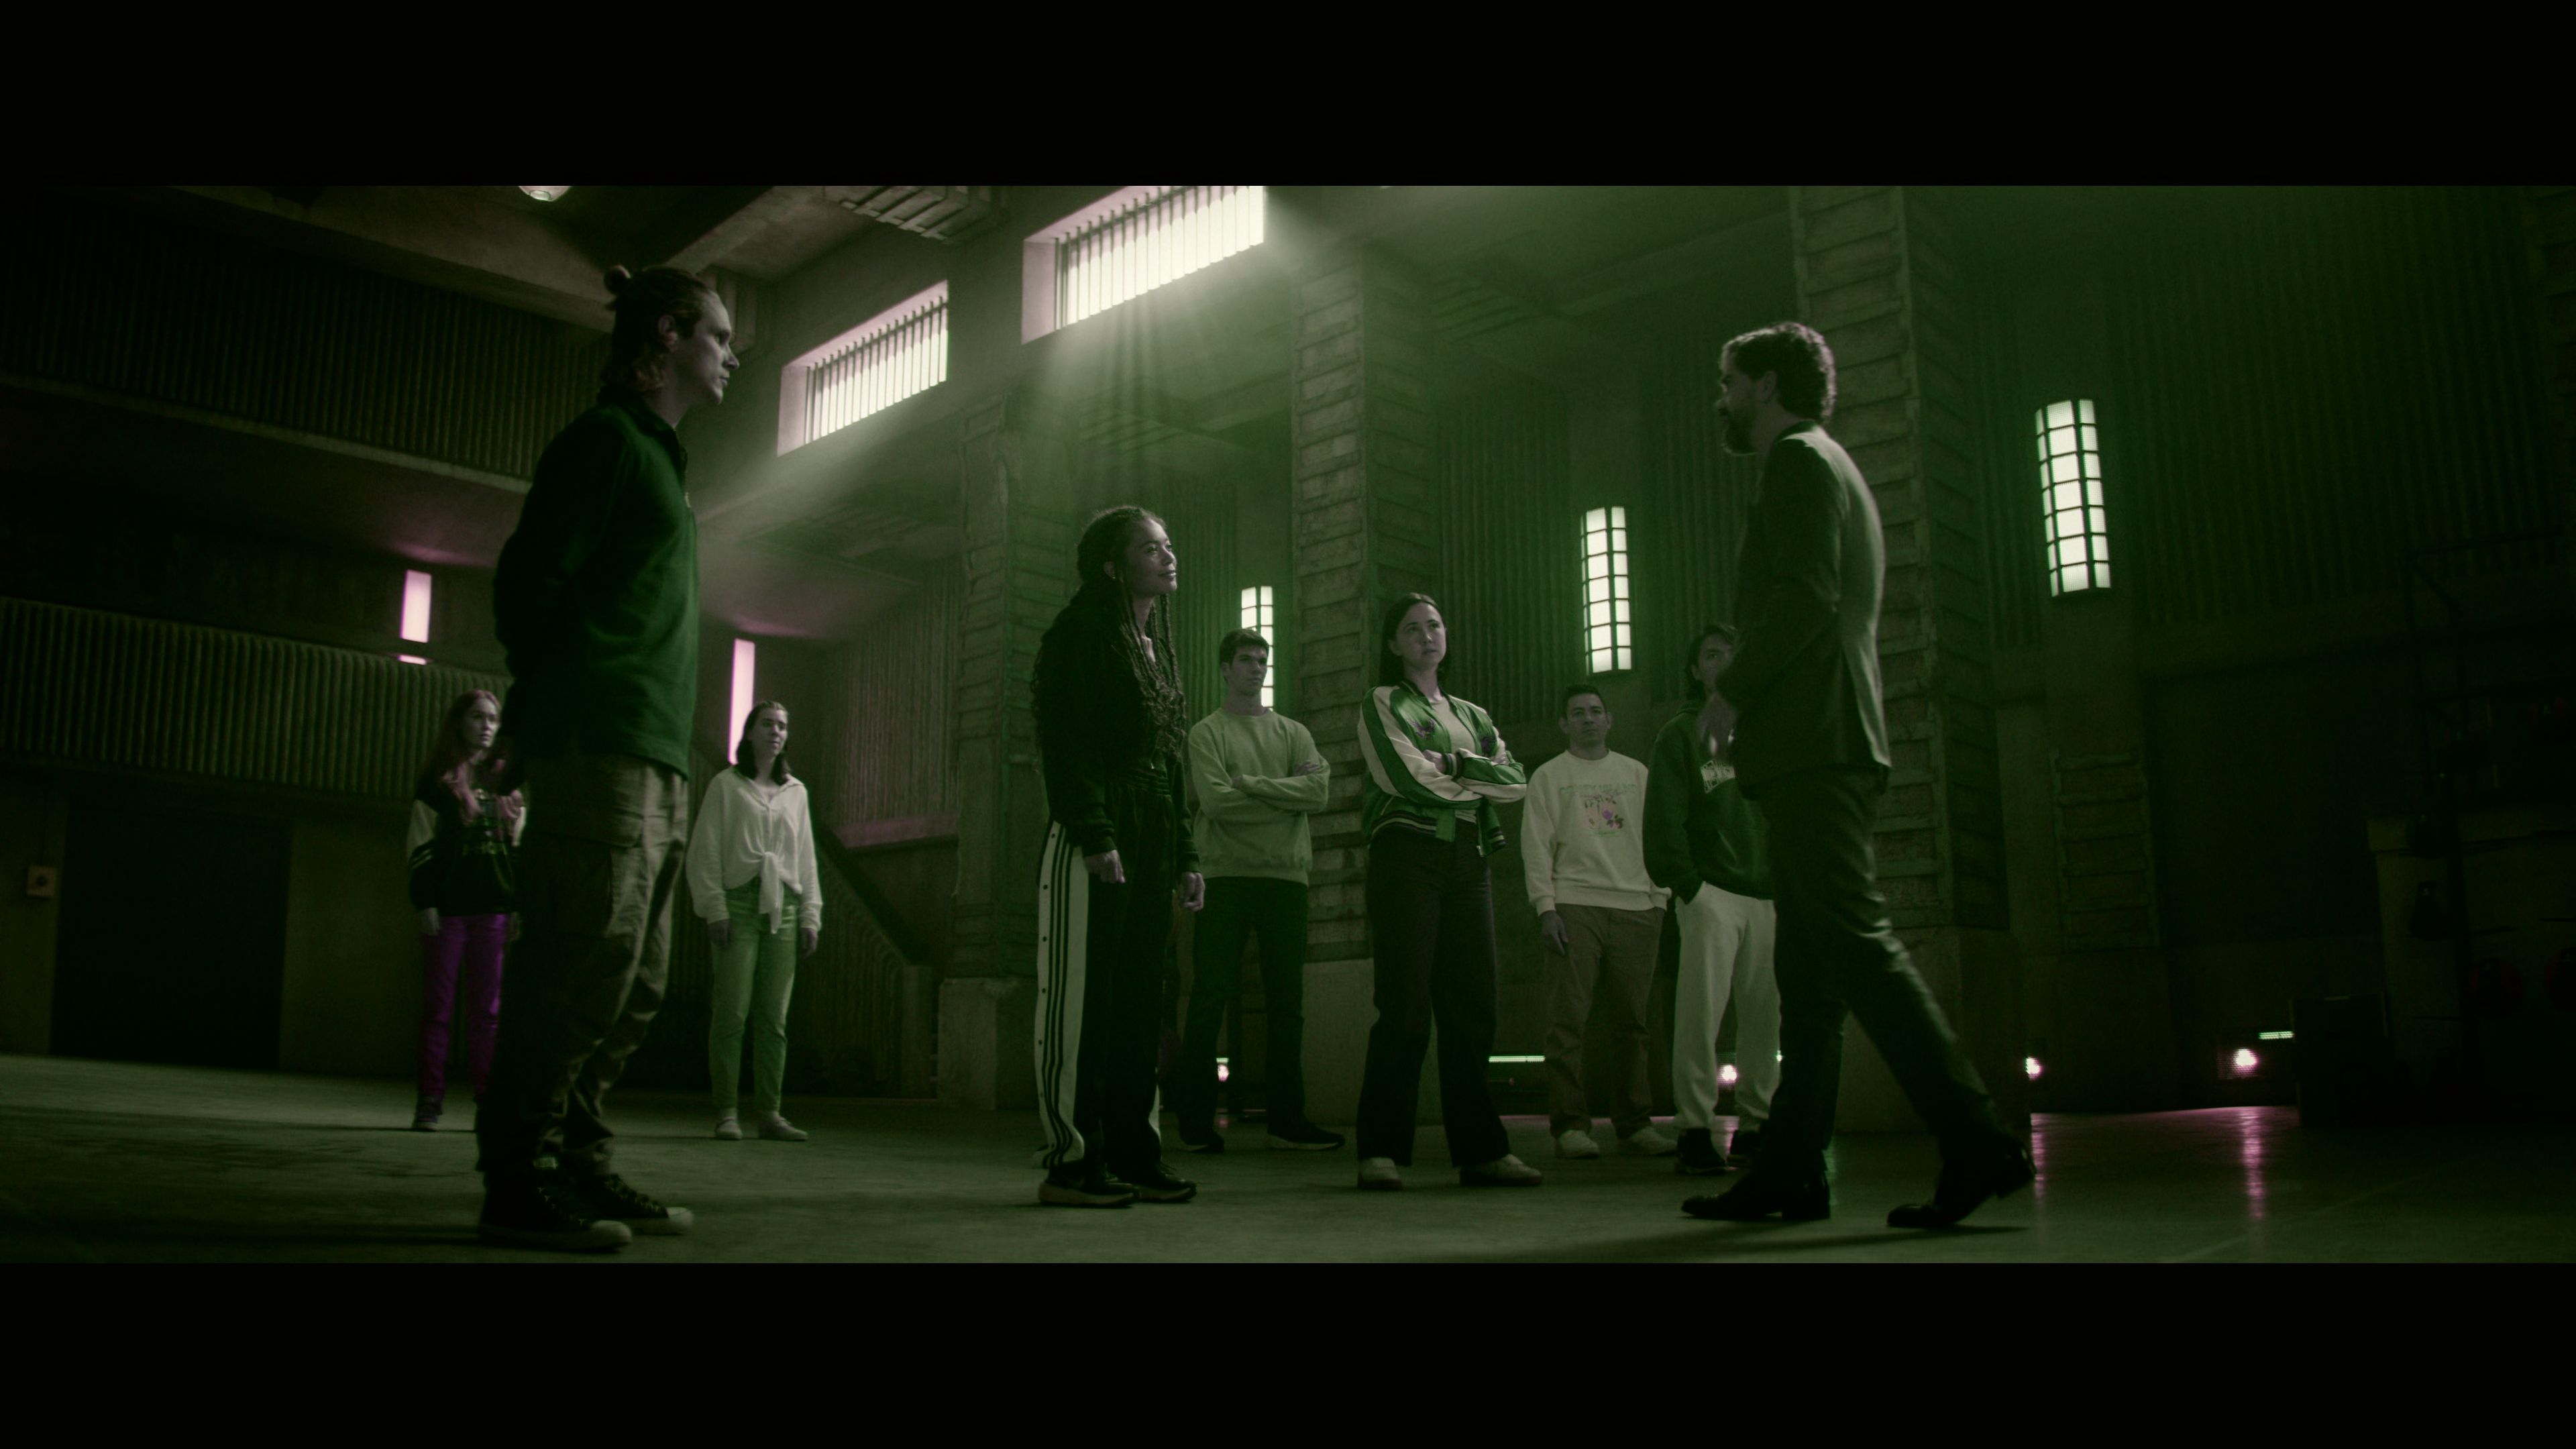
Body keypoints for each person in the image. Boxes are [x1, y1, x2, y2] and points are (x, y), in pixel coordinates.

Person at [1684, 321, 2032, 1228]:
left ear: (1765, 384)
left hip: (1818, 739)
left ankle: (1978, 1139)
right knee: (1810, 981)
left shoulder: (1799, 460)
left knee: (1858, 944)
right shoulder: (1828, 461)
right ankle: (1792, 1171)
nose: (1722, 398)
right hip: (1827, 738)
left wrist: (1731, 691)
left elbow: (1805, 595)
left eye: (1729, 382)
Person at [476, 264, 736, 1251]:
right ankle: (520, 1177)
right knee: (577, 964)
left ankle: (580, 1159)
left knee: (636, 981)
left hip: (657, 750)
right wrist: (534, 718)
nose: (731, 355)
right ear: (666, 335)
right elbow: (528, 586)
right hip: (600, 744)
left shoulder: (662, 464)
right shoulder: (606, 444)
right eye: (717, 336)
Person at [1031, 505, 1208, 1208]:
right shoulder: (1078, 634)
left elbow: (1169, 756)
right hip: (1097, 830)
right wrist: (1095, 833)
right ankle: (1074, 1161)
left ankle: (1135, 1153)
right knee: (1088, 1003)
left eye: (1168, 545)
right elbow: (1066, 741)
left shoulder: (1156, 646)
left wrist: (1185, 849)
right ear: (1112, 565)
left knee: (1142, 1002)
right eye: (1150, 548)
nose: (1168, 556)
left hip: (1154, 829)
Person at [1352, 594, 1542, 1191]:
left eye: (1434, 625)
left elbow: (1516, 782)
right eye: (1412, 629)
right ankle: (1380, 1150)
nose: (1427, 635)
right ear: (1393, 644)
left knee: (1473, 1008)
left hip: (1469, 858)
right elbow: (1403, 776)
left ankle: (1482, 1151)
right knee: (1405, 1006)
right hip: (1407, 856)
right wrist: (1476, 780)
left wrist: (1455, 765)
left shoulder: (1472, 714)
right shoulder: (1383, 702)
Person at [1175, 627, 1343, 1154]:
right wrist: (1284, 799)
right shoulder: (1206, 733)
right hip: (1224, 876)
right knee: (1209, 998)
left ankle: (1287, 1121)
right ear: (1225, 668)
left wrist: (1249, 784)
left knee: (1286, 1003)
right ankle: (1196, 1123)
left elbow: (1317, 794)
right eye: (1246, 660)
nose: (1255, 668)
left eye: (1262, 660)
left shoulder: (1294, 733)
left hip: (1285, 878)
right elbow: (1215, 803)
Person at [1645, 625, 1777, 1177]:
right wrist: (1689, 886)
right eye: (1712, 654)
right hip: (1711, 893)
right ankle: (1695, 1130)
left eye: (1733, 654)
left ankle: (1756, 1127)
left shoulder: (1767, 730)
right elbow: (1664, 819)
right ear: (1696, 669)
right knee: (1699, 1018)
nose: (1724, 662)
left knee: (1765, 1021)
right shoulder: (1681, 734)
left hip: (1767, 894)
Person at [1525, 684, 1675, 1161]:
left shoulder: (1636, 773)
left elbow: (1659, 834)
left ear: (1609, 720)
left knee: (1633, 1024)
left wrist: (1660, 899)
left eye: (1595, 711)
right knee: (1567, 1022)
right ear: (1564, 724)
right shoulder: (1549, 777)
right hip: (1575, 904)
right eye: (1577, 713)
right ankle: (1571, 1125)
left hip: (1637, 908)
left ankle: (1635, 1124)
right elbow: (1536, 845)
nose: (1587, 718)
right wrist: (1546, 907)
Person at [686, 701, 822, 1144]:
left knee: (774, 1017)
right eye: (767, 724)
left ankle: (770, 1113)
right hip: (739, 903)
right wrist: (715, 908)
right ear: (749, 732)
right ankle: (727, 1111)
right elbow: (705, 849)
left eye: (782, 726)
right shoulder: (726, 785)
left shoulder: (795, 792)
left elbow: (806, 858)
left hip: (783, 905)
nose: (776, 732)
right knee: (732, 1013)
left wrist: (811, 914)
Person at [405, 689, 525, 1132]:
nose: (487, 726)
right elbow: (419, 845)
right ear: (460, 722)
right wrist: (425, 901)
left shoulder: (506, 782)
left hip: (493, 912)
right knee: (438, 1010)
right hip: (448, 912)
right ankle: (429, 1102)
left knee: (487, 1015)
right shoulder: (436, 781)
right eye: (478, 717)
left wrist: (517, 906)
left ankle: (486, 1102)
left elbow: (519, 850)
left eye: (493, 718)